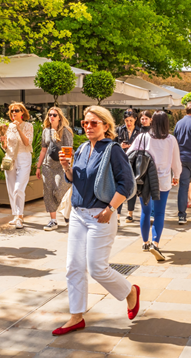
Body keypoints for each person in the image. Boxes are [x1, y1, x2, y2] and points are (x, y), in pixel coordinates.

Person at [54, 106, 140, 336]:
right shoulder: (82, 148)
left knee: (97, 268)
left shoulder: (113, 150)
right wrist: (66, 167)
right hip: (78, 214)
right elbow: (75, 180)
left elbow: (127, 185)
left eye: (94, 123)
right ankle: (76, 316)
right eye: (85, 123)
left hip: (100, 215)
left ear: (105, 125)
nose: (88, 126)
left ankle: (130, 291)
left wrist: (111, 209)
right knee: (73, 266)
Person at [127, 111, 181, 261]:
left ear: (153, 122)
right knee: (159, 213)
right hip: (163, 180)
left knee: (145, 211)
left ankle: (145, 243)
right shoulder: (171, 139)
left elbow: (129, 155)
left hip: (145, 180)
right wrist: (176, 176)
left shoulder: (143, 137)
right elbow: (176, 161)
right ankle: (155, 243)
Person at [36, 106, 73, 231]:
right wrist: (38, 166)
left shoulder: (65, 131)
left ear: (59, 117)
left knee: (59, 189)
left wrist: (67, 165)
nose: (51, 117)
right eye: (50, 115)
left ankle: (66, 211)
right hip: (47, 165)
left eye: (54, 115)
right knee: (48, 191)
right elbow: (43, 150)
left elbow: (68, 149)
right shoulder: (46, 131)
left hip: (61, 166)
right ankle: (53, 220)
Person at [0, 102, 33, 229]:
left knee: (18, 188)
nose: (14, 112)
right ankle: (16, 215)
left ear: (22, 112)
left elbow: (27, 143)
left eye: (16, 110)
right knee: (11, 187)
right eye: (12, 111)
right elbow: (6, 147)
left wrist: (18, 129)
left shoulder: (28, 126)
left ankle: (20, 216)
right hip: (10, 158)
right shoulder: (8, 127)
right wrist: (3, 142)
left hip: (24, 157)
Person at [115, 109, 142, 222]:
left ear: (135, 119)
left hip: (135, 161)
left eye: (131, 120)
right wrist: (120, 146)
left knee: (132, 187)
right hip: (121, 161)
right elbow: (113, 144)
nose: (128, 123)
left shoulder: (139, 131)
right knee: (119, 187)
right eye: (126, 121)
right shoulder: (119, 130)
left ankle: (130, 213)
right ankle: (117, 215)